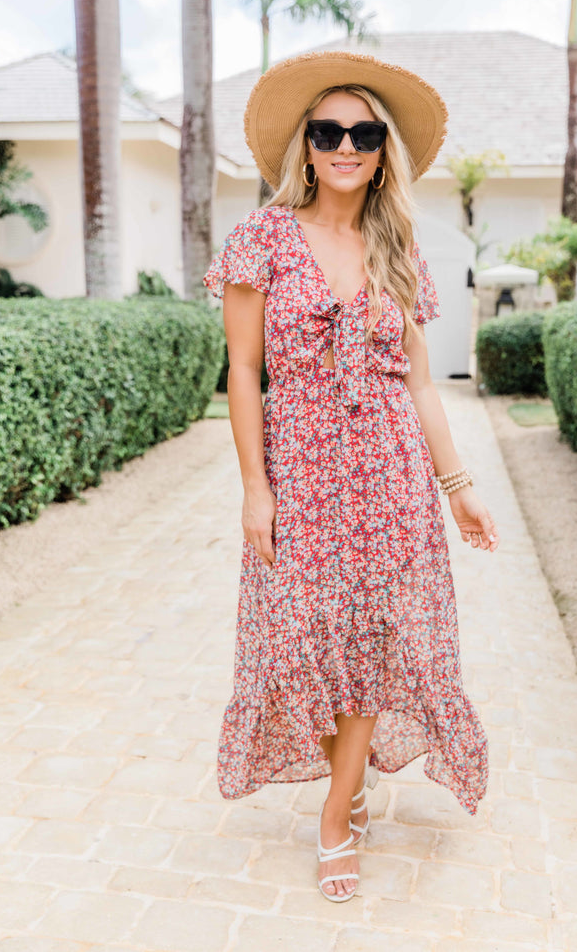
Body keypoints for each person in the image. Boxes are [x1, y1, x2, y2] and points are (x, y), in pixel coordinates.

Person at [203, 50, 499, 904]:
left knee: (371, 638)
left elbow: (417, 381)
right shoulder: (262, 236)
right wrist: (256, 489)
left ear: (381, 150)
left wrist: (459, 485)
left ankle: (340, 808)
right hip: (300, 475)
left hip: (391, 479)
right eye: (329, 130)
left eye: (363, 132)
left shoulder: (395, 242)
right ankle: (349, 779)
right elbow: (244, 371)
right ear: (307, 143)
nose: (345, 144)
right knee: (309, 634)